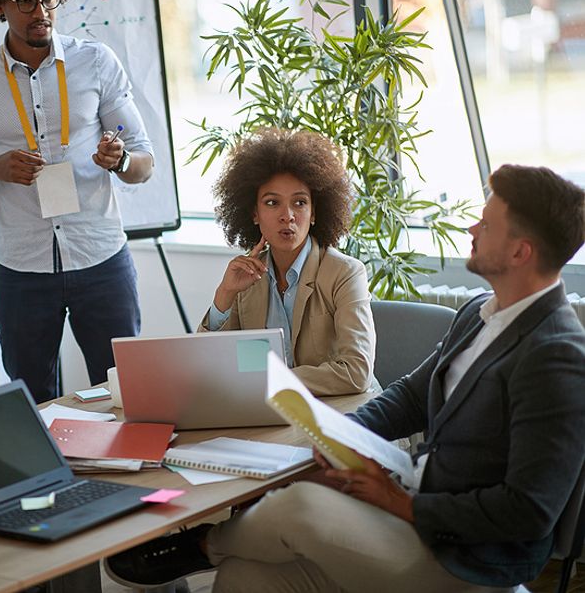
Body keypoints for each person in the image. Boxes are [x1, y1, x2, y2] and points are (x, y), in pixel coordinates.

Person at [106, 164, 585, 592]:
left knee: (295, 507)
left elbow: (528, 511)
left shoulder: (556, 356)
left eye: (487, 222)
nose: (471, 226)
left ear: (520, 251)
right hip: (418, 512)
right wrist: (341, 436)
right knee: (246, 578)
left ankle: (203, 544)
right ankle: (216, 552)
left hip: (467, 561)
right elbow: (409, 397)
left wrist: (402, 504)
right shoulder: (479, 314)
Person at [0, 0, 154, 403]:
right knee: (32, 403)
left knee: (128, 394)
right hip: (22, 268)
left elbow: (143, 163)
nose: (41, 11)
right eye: (25, 0)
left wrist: (118, 160)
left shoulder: (96, 62)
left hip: (100, 257)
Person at [201, 128, 377, 395]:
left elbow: (357, 372)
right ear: (254, 214)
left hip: (341, 414)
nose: (288, 215)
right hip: (268, 414)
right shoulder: (247, 278)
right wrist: (224, 294)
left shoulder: (345, 273)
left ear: (315, 212)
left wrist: (272, 381)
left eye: (300, 203)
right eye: (272, 203)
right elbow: (208, 367)